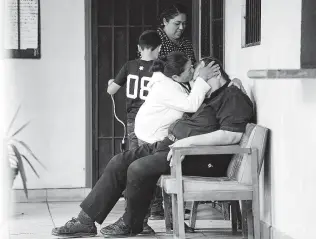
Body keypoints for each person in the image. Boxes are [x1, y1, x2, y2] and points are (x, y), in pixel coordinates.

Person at [52, 57, 254, 238]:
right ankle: (85, 221)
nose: (195, 80)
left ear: (215, 72)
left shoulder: (232, 96)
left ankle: (132, 224)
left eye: (200, 74)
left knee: (139, 168)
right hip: (172, 146)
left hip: (197, 157)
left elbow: (231, 134)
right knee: (119, 161)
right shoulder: (209, 95)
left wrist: (186, 143)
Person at [107, 30, 161, 150]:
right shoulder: (160, 67)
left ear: (139, 47)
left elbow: (111, 91)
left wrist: (110, 83)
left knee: (134, 153)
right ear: (159, 47)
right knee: (150, 152)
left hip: (133, 117)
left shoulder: (129, 65)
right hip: (152, 117)